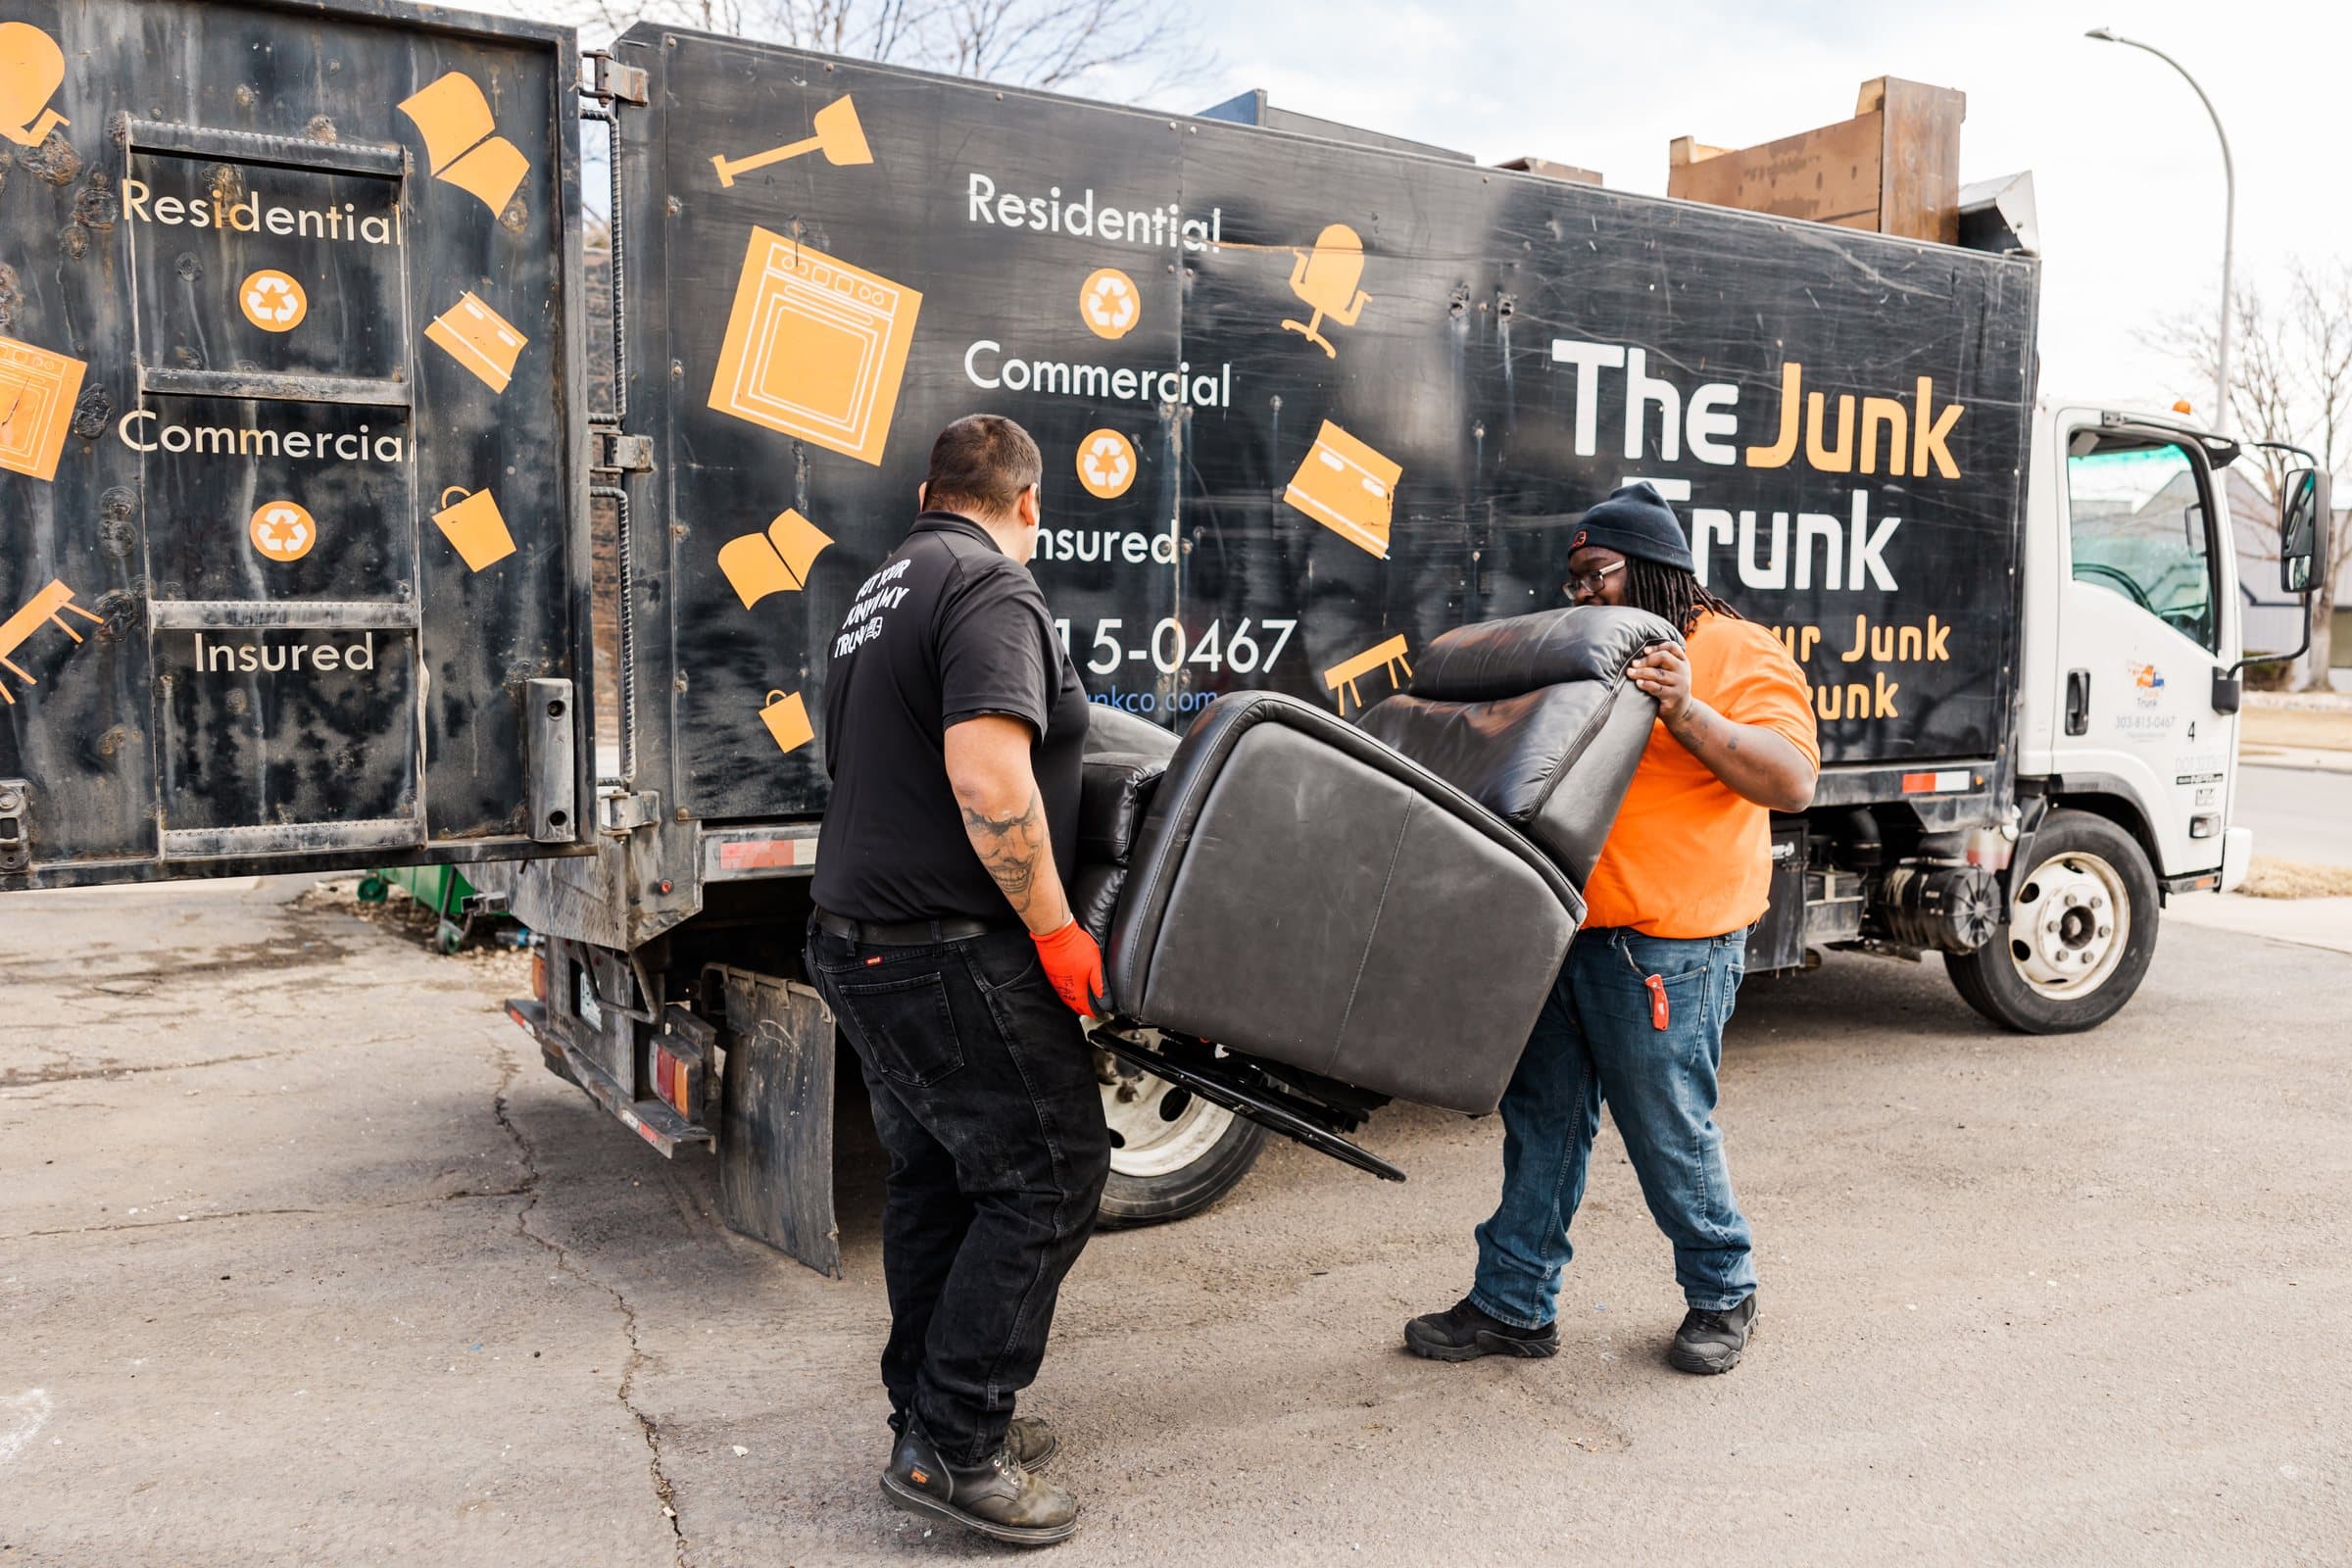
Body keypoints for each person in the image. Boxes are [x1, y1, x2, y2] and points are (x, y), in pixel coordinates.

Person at [1404, 481, 1818, 1375]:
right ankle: (1514, 1305)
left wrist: (1688, 709)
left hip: (1668, 946)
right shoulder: (1591, 652)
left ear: (1659, 572)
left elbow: (1791, 781)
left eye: (1600, 576)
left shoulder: (1738, 651)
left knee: (1667, 1127)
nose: (1584, 595)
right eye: (1576, 581)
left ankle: (1724, 1294)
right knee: (1543, 1123)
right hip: (1565, 928)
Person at [806, 414, 1108, 1548]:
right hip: (941, 947)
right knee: (1050, 1172)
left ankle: (925, 1412)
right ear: (1029, 504)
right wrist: (1057, 928)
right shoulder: (990, 585)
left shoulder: (888, 582)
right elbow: (988, 779)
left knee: (941, 1176)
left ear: (930, 492)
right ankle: (955, 1446)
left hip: (861, 938)